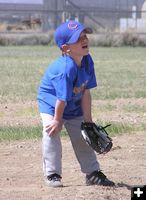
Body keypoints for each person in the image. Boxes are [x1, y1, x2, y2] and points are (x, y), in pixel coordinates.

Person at [37, 20, 115, 188]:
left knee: (83, 135)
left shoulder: (87, 61)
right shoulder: (65, 69)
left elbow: (86, 92)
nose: (84, 40)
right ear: (66, 48)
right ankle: (52, 174)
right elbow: (61, 99)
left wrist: (88, 121)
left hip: (72, 103)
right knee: (51, 132)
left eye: (84, 36)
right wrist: (57, 121)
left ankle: (92, 173)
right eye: (78, 39)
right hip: (52, 104)